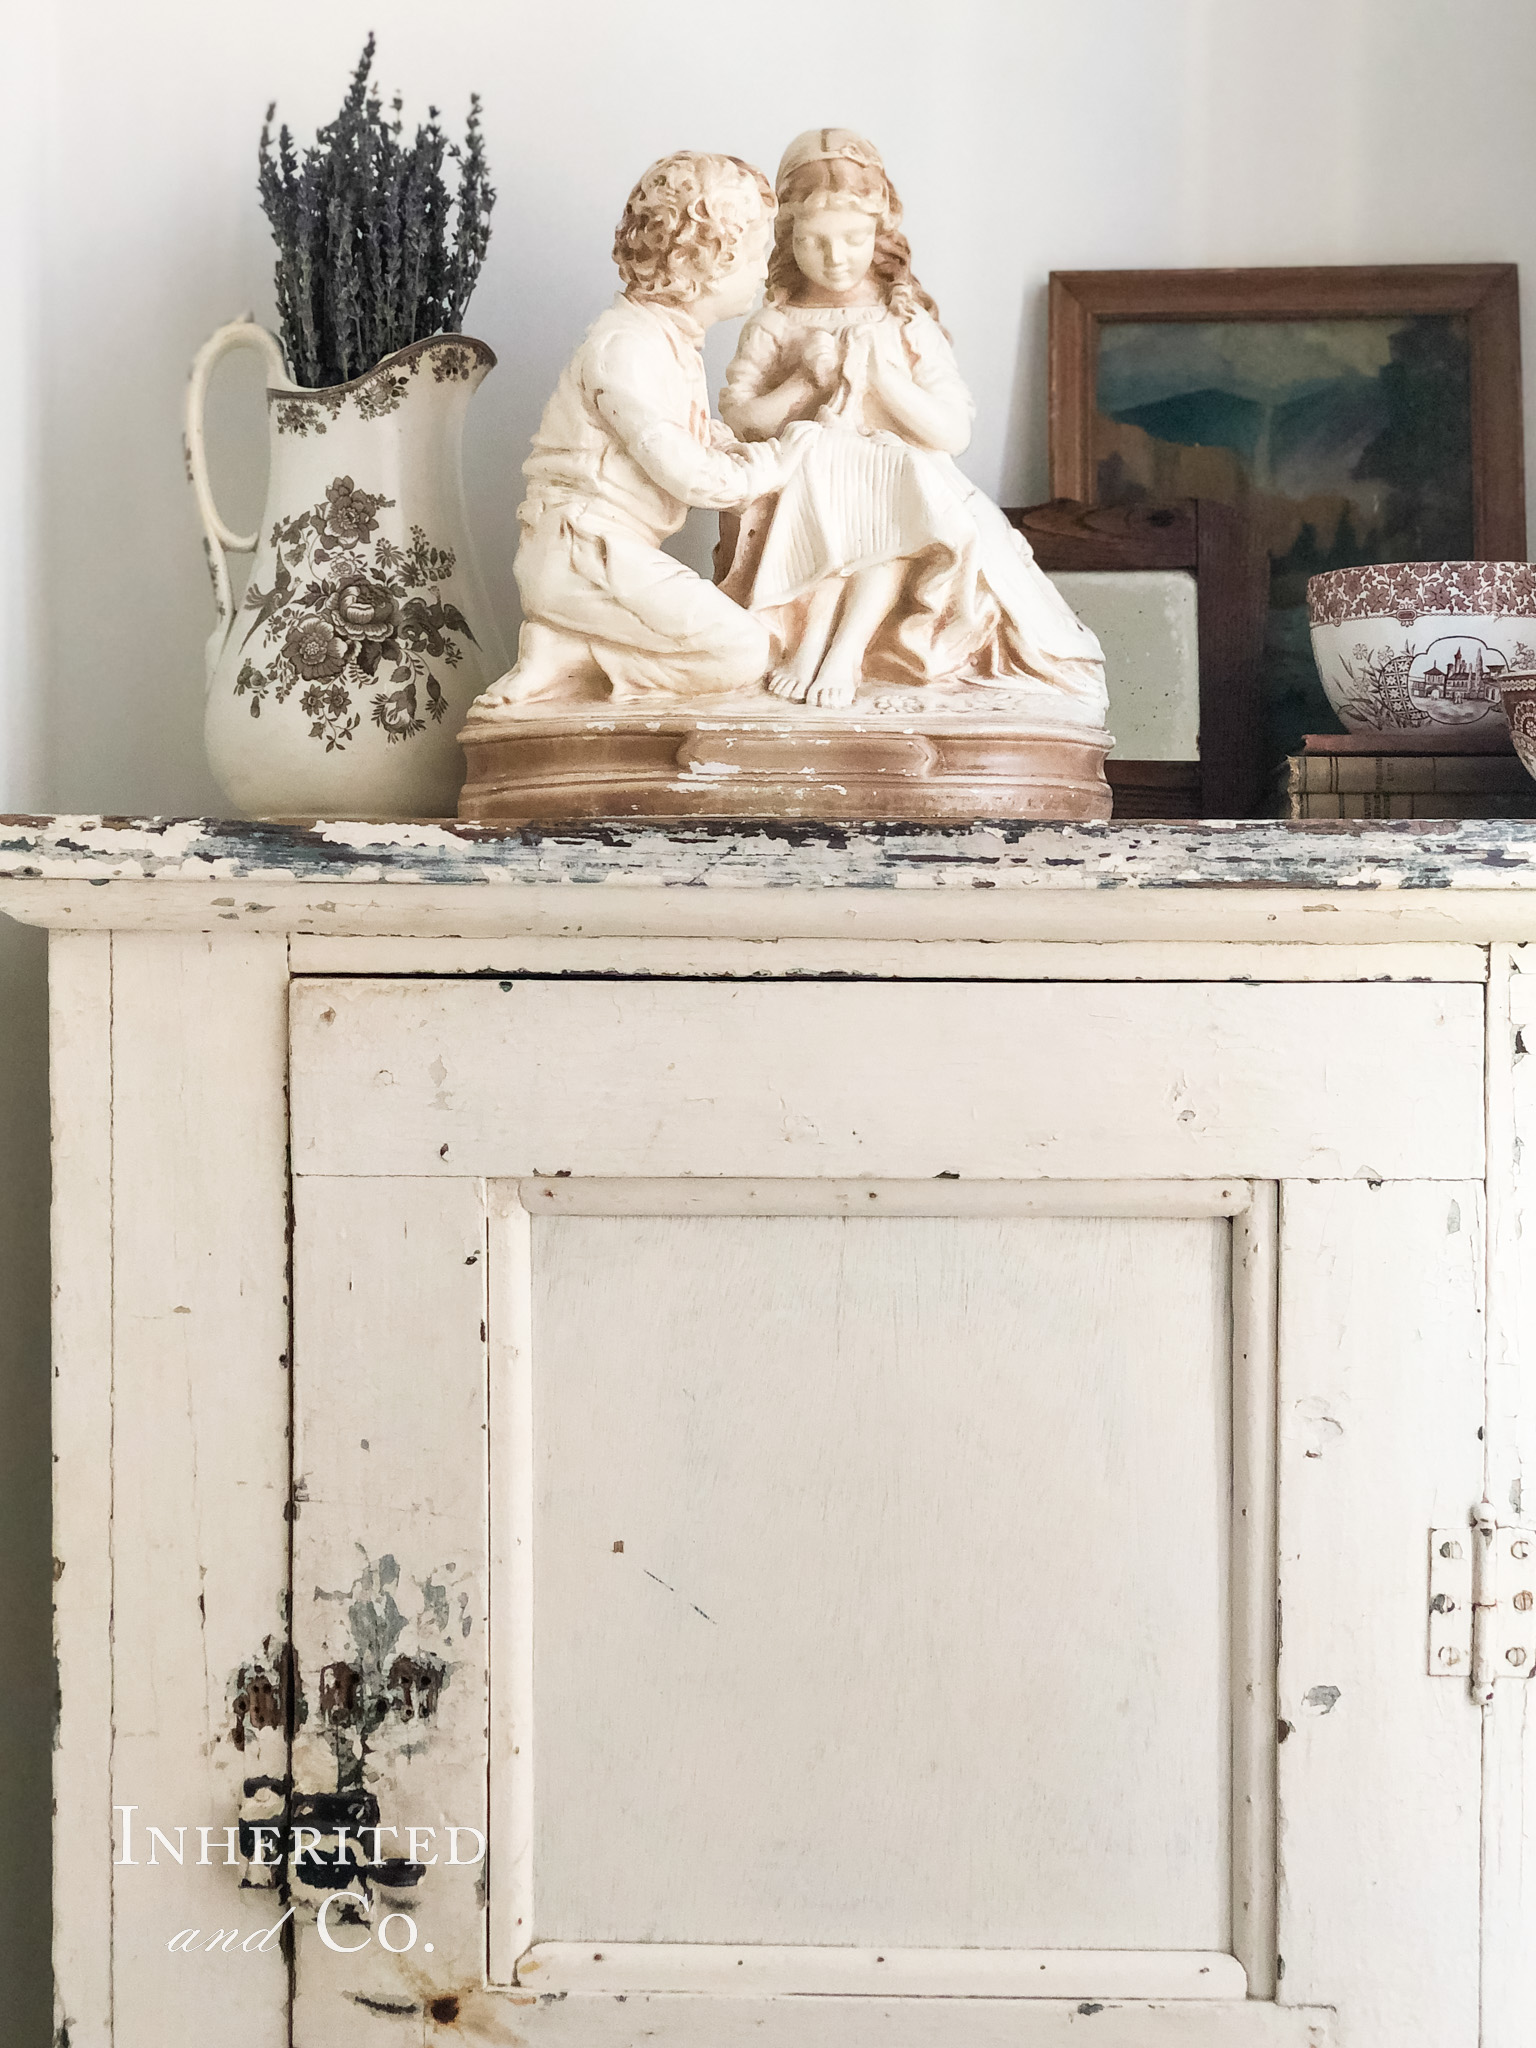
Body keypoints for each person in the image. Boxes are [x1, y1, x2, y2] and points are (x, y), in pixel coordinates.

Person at [717, 129, 1106, 718]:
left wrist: (880, 378)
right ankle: (811, 644)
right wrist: (803, 382)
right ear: (786, 237)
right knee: (821, 471)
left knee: (894, 487)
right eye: (814, 240)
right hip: (805, 469)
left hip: (899, 477)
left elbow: (950, 434)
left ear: (880, 234)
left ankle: (846, 651)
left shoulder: (904, 319)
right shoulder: (776, 322)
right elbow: (740, 417)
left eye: (853, 238)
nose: (835, 256)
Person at [472, 152, 813, 708]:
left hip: (604, 550)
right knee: (743, 653)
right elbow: (695, 480)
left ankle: (565, 646)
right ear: (709, 262)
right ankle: (569, 653)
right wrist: (779, 461)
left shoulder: (668, 340)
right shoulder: (626, 347)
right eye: (756, 253)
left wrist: (736, 443)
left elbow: (693, 436)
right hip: (581, 555)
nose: (764, 269)